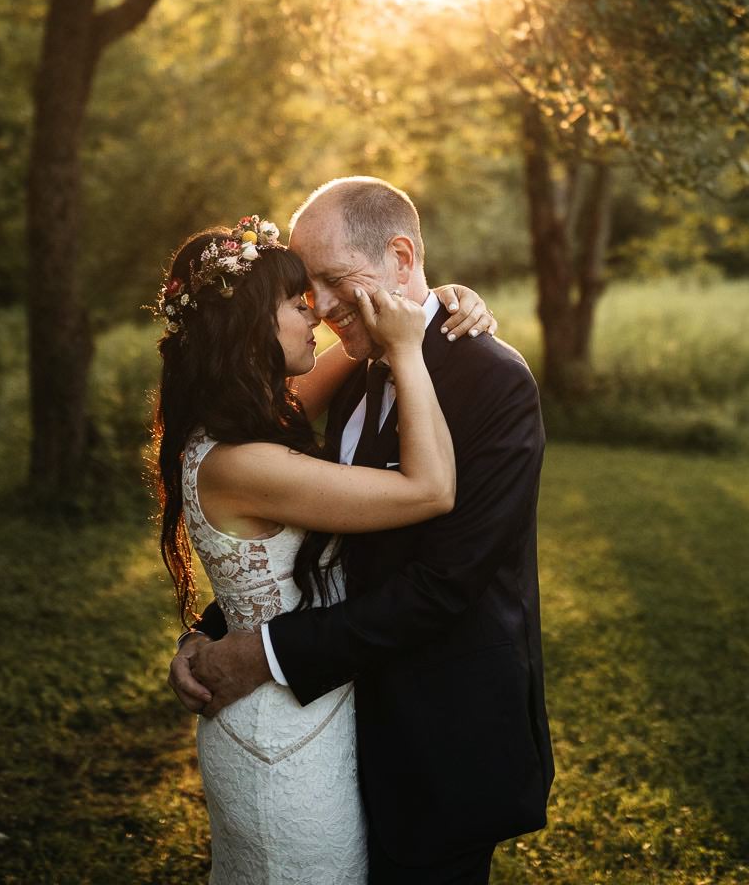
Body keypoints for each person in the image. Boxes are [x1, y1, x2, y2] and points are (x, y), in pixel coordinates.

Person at [169, 179, 554, 884]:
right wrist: (215, 631)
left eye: (331, 279)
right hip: (339, 739)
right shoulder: (346, 373)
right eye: (304, 287)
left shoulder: (492, 381)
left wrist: (264, 652)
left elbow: (443, 586)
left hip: (442, 745)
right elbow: (313, 541)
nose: (315, 305)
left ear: (401, 255)